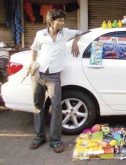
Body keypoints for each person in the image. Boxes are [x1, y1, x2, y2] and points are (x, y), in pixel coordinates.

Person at [28, 9, 80, 153]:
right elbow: (34, 49)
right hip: (38, 74)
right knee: (38, 105)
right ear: (51, 21)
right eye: (60, 20)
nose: (63, 23)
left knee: (56, 107)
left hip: (54, 76)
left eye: (64, 20)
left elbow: (79, 32)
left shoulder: (66, 33)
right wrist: (32, 63)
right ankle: (39, 137)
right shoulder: (40, 34)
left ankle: (55, 140)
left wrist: (75, 42)